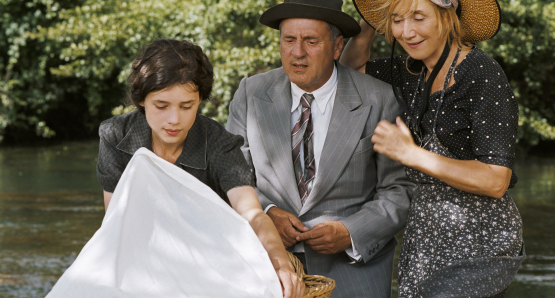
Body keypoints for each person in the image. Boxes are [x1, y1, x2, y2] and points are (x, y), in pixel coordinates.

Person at [226, 0, 414, 296]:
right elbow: (231, 177)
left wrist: (352, 232)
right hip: (266, 269)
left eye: (310, 41)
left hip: (355, 275)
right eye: (289, 40)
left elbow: (399, 189)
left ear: (337, 47)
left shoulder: (380, 98)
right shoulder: (251, 93)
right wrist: (267, 212)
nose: (297, 52)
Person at [340, 0, 525, 296]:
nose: (407, 32)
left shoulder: (482, 74)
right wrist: (372, 20)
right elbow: (351, 71)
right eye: (397, 20)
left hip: (477, 238)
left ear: (447, 17)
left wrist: (411, 154)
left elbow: (495, 180)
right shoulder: (412, 71)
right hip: (426, 236)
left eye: (418, 17)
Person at [96, 39, 304, 298]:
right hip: (140, 259)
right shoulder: (115, 135)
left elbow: (252, 213)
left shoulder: (218, 143)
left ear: (201, 99)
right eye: (161, 106)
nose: (174, 120)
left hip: (210, 266)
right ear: (140, 100)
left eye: (187, 106)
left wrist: (281, 265)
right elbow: (115, 221)